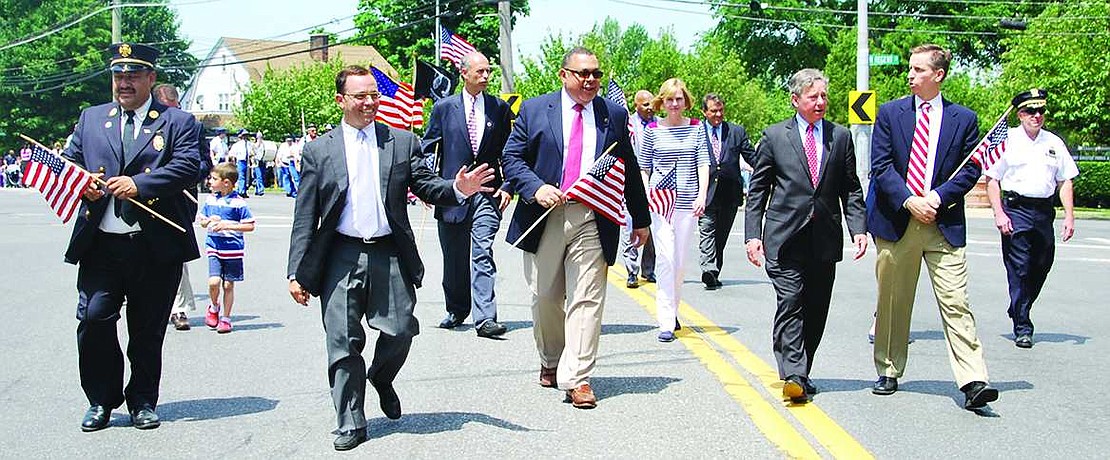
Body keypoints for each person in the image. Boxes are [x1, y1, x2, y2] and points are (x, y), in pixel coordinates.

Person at [286, 65, 495, 450]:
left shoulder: (401, 141)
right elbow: (305, 214)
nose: (369, 103)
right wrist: (296, 272)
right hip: (339, 254)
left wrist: (458, 188)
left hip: (389, 252)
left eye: (374, 96)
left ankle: (381, 377)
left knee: (401, 329)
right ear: (341, 100)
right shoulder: (320, 150)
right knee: (343, 341)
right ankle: (350, 420)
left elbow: (428, 184)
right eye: (360, 97)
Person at [502, 47, 651, 409]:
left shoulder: (612, 114)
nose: (590, 81)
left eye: (596, 74)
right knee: (546, 296)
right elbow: (511, 157)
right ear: (563, 74)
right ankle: (551, 358)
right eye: (583, 74)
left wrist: (641, 217)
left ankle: (577, 377)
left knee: (587, 297)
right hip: (544, 214)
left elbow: (627, 165)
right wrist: (535, 187)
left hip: (592, 214)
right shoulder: (535, 110)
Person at [63, 42, 201, 431]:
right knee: (93, 319)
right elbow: (70, 162)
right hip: (102, 244)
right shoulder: (92, 119)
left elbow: (190, 166)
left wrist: (139, 184)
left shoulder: (177, 122)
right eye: (118, 76)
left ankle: (142, 399)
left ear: (150, 79)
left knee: (147, 330)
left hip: (153, 246)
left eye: (133, 76)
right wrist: (82, 182)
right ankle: (101, 400)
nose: (123, 84)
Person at [866, 44, 997, 411]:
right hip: (897, 221)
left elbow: (971, 169)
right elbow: (882, 166)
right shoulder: (891, 114)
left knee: (956, 301)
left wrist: (936, 199)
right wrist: (910, 201)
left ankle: (973, 380)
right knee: (893, 301)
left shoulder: (963, 119)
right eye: (910, 68)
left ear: (938, 75)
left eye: (918, 70)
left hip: (943, 223)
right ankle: (889, 369)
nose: (910, 75)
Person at [744, 69, 867, 403]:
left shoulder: (840, 137)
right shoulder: (774, 137)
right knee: (791, 300)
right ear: (795, 100)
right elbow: (758, 192)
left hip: (824, 238)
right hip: (784, 238)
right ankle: (794, 372)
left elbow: (851, 188)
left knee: (816, 308)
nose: (820, 102)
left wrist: (858, 229)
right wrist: (752, 235)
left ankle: (802, 370)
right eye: (813, 96)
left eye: (824, 96)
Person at [421, 51, 514, 338]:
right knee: (454, 257)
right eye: (480, 71)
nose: (486, 76)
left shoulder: (499, 108)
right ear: (464, 73)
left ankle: (485, 317)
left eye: (488, 72)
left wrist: (508, 186)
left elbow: (511, 152)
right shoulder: (443, 108)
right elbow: (428, 148)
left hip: (487, 192)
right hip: (452, 194)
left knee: (482, 252)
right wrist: (429, 186)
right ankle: (457, 308)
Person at [985, 89, 1078, 349]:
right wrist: (999, 213)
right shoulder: (1007, 140)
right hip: (1016, 209)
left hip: (1043, 211)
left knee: (1041, 264)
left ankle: (1019, 305)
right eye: (1030, 111)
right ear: (1020, 114)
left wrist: (1069, 215)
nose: (1036, 116)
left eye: (1041, 111)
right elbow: (992, 180)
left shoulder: (1053, 142)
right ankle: (1023, 324)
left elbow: (1065, 180)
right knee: (1020, 268)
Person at [639, 78, 710, 342]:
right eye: (669, 99)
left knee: (679, 263)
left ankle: (674, 310)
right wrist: (646, 194)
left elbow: (703, 163)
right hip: (660, 201)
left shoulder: (696, 128)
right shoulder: (653, 130)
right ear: (662, 102)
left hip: (688, 201)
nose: (674, 104)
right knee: (665, 259)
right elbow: (644, 166)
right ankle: (665, 321)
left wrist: (702, 195)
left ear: (685, 101)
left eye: (679, 99)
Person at [153, 82, 211, 331]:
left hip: (180, 196)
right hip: (143, 195)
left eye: (175, 107)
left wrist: (180, 176)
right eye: (167, 108)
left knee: (175, 253)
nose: (173, 113)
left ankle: (179, 309)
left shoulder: (191, 125)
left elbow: (204, 162)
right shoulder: (144, 122)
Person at [698, 93, 755, 290]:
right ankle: (708, 269)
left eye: (721, 110)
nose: (718, 114)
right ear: (704, 112)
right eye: (713, 111)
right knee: (707, 230)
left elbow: (751, 156)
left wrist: (771, 171)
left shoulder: (736, 132)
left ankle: (714, 271)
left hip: (730, 193)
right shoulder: (696, 131)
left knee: (720, 236)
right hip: (706, 192)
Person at [199, 163, 256, 333]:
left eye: (214, 179)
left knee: (228, 285)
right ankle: (214, 306)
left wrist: (227, 226)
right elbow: (202, 221)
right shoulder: (210, 199)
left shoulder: (239, 203)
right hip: (214, 245)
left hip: (232, 248)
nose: (210, 182)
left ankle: (226, 317)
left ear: (226, 182)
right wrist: (209, 221)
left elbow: (250, 225)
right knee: (214, 281)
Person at [622, 89, 657, 288]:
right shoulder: (628, 124)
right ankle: (631, 271)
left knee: (651, 227)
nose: (650, 108)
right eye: (645, 105)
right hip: (632, 181)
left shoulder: (659, 125)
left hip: (655, 181)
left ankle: (648, 269)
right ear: (637, 105)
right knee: (631, 227)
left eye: (652, 104)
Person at [229, 128, 251, 196]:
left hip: (247, 161)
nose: (245, 137)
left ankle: (244, 190)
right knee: (241, 176)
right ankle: (241, 191)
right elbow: (232, 154)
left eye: (247, 135)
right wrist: (233, 162)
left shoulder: (249, 144)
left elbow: (252, 152)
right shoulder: (237, 144)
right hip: (240, 161)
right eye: (244, 135)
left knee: (247, 177)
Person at [251, 131, 267, 195]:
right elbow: (252, 153)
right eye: (258, 138)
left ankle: (257, 190)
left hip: (262, 162)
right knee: (259, 176)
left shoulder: (264, 145)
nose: (260, 139)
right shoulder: (254, 145)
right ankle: (260, 190)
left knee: (260, 176)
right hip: (256, 162)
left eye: (261, 137)